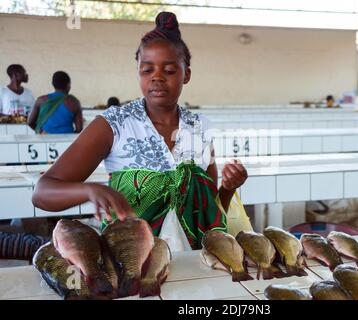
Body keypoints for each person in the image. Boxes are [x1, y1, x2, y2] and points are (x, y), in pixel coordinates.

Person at [32, 12, 248, 249]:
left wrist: (228, 189)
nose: (157, 77)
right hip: (131, 268)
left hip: (195, 269)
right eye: (147, 70)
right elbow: (42, 194)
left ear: (186, 74)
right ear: (138, 73)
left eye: (169, 70)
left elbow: (211, 215)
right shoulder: (115, 124)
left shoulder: (200, 129)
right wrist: (89, 190)